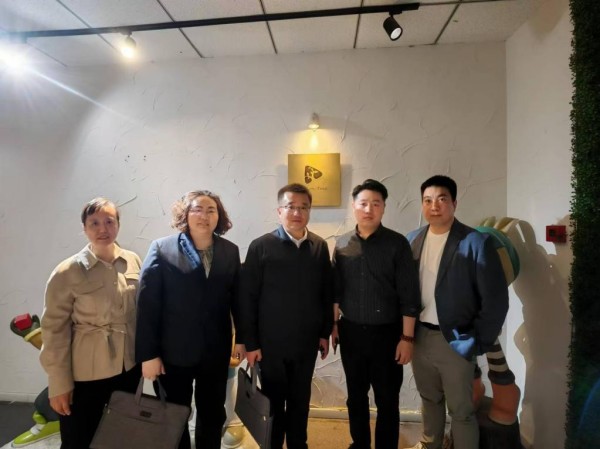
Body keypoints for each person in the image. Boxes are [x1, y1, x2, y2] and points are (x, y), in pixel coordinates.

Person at [406, 175, 509, 449]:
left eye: (441, 199)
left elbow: (496, 299)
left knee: (461, 411)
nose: (434, 206)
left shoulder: (476, 242)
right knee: (429, 400)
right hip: (420, 337)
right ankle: (430, 444)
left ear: (454, 203)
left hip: (455, 339)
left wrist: (478, 341)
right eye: (427, 200)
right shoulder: (412, 240)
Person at [135, 190, 244, 449]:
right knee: (174, 416)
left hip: (215, 352)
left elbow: (239, 300)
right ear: (185, 214)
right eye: (197, 209)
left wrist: (242, 339)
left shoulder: (229, 251)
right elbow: (147, 305)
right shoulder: (162, 248)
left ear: (219, 216)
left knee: (212, 413)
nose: (204, 216)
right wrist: (148, 355)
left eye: (211, 210)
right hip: (173, 353)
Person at [40, 197, 142, 449]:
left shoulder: (133, 261)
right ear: (84, 228)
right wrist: (59, 383)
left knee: (120, 437)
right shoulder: (67, 272)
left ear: (118, 224)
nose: (102, 229)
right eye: (94, 223)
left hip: (128, 369)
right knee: (79, 439)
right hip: (85, 373)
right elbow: (53, 331)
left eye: (109, 221)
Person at [240, 183, 333, 449]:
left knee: (300, 402)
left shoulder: (319, 246)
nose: (297, 213)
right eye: (291, 207)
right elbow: (247, 299)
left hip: (306, 343)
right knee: (272, 404)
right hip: (270, 345)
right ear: (279, 210)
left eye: (304, 207)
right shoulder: (261, 246)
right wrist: (251, 343)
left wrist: (324, 333)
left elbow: (326, 294)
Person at [332, 179, 420, 449]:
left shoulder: (397, 244)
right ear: (354, 206)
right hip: (351, 332)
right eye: (363, 203)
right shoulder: (342, 244)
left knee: (387, 399)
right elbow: (335, 291)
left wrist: (407, 338)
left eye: (375, 203)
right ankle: (359, 444)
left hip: (388, 334)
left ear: (383, 207)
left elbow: (409, 295)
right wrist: (333, 325)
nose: (368, 209)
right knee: (355, 397)